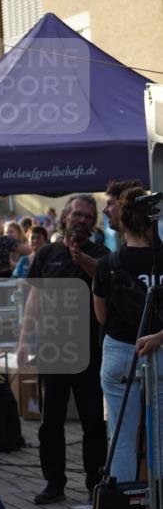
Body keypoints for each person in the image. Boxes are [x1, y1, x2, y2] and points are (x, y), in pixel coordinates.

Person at [17, 194, 109, 504]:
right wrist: (23, 339)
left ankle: (95, 483)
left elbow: (108, 284)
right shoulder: (46, 254)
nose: (82, 220)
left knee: (93, 422)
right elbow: (35, 299)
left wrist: (83, 260)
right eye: (77, 214)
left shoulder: (102, 253)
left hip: (90, 352)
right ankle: (53, 483)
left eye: (88, 216)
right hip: (52, 350)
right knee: (50, 422)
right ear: (65, 218)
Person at [93, 185, 163, 482]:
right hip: (158, 350)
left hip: (121, 351)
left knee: (121, 437)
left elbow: (101, 316)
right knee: (159, 436)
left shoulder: (108, 264)